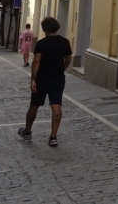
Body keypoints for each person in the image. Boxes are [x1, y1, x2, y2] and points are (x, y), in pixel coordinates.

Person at [18, 17, 72, 147]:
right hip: (57, 79)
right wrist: (61, 70)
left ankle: (27, 131)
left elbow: (36, 61)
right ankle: (53, 137)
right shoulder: (65, 42)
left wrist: (33, 79)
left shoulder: (41, 44)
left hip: (42, 79)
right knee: (56, 105)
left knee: (34, 105)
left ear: (45, 29)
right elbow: (68, 59)